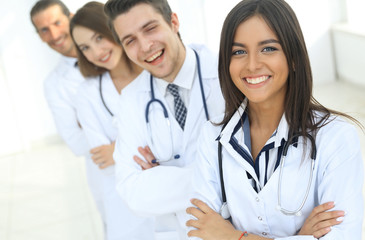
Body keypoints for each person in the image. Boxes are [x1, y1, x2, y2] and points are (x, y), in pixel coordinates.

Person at [185, 0, 364, 239]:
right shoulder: (212, 137)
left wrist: (232, 236)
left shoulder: (336, 137)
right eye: (239, 52)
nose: (252, 65)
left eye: (268, 48)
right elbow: (200, 233)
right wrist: (302, 237)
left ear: (294, 57)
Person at [103, 0, 225, 238]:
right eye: (130, 40)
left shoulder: (225, 73)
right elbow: (132, 192)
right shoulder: (131, 100)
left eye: (150, 29)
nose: (146, 46)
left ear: (174, 22)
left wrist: (159, 177)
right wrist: (220, 173)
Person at [69, 2, 155, 239]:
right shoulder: (86, 94)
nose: (96, 52)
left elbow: (182, 141)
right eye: (85, 47)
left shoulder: (156, 72)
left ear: (114, 30)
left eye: (98, 38)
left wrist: (118, 149)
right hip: (124, 204)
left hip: (172, 195)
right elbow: (103, 159)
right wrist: (156, 150)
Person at [30, 0, 105, 229]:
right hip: (105, 172)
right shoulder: (54, 85)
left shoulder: (113, 54)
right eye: (44, 30)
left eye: (57, 23)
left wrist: (93, 125)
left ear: (71, 17)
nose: (53, 34)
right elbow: (76, 142)